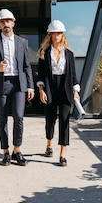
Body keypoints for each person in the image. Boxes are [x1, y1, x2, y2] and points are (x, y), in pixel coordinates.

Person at [0, 9, 34, 166]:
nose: (6, 24)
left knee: (19, 116)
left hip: (19, 84)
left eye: (8, 21)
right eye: (2, 22)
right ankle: (5, 152)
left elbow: (27, 66)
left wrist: (30, 86)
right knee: (2, 118)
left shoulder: (22, 42)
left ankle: (16, 151)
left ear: (13, 23)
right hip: (1, 84)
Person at [36, 20, 81, 167]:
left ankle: (62, 154)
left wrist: (76, 91)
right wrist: (41, 91)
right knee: (50, 119)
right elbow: (41, 75)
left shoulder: (69, 54)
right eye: (54, 33)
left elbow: (73, 75)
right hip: (50, 88)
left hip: (65, 88)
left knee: (64, 119)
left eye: (59, 33)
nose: (56, 36)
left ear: (63, 35)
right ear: (50, 35)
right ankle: (49, 143)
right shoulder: (44, 53)